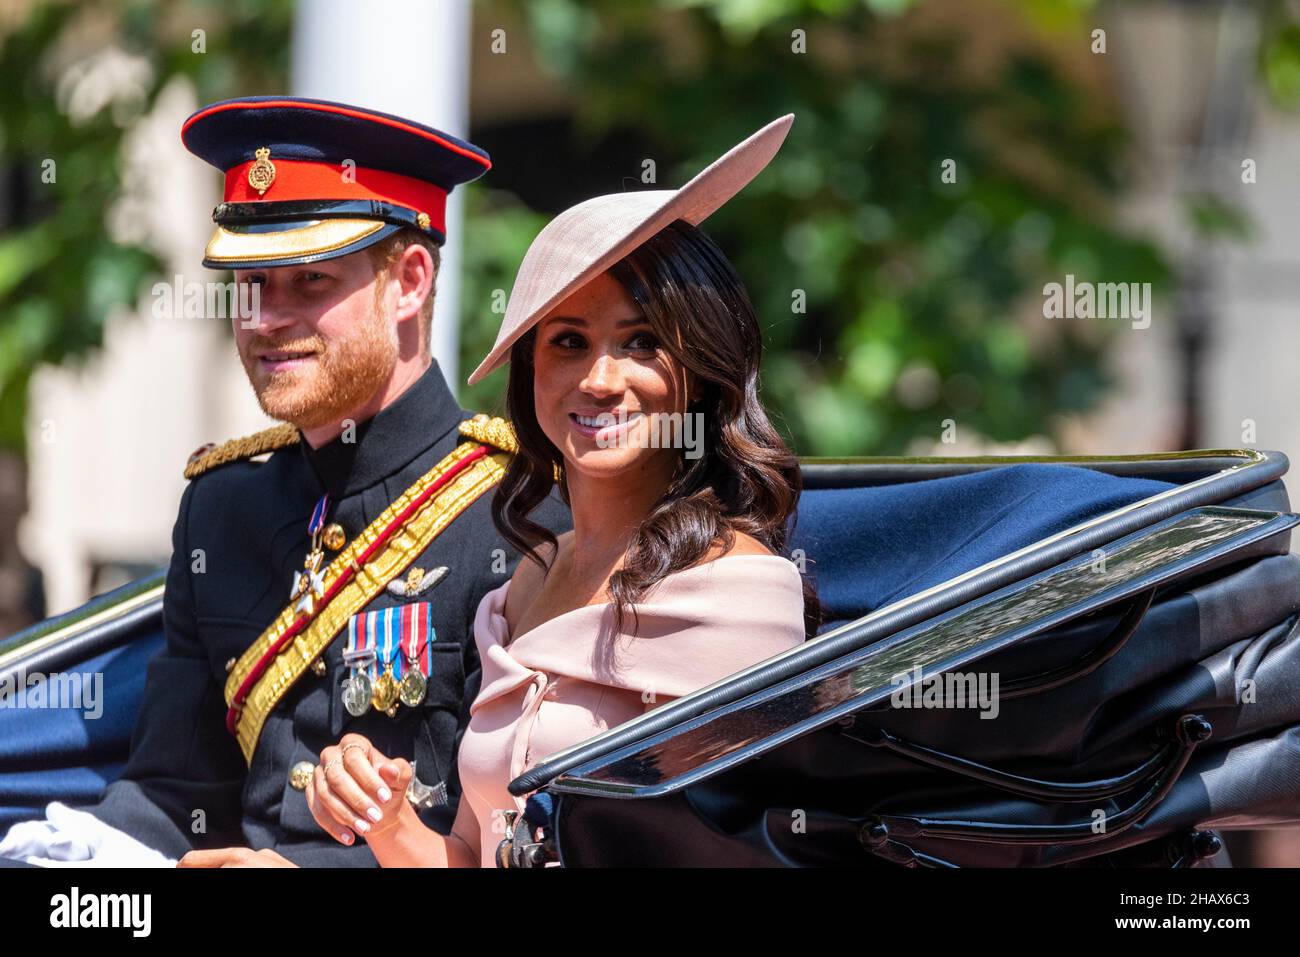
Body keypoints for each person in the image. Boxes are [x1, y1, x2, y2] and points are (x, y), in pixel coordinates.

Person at [0, 96, 569, 868]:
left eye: (308, 281)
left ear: (408, 280)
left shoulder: (519, 508)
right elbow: (175, 794)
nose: (265, 318)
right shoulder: (222, 505)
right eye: (250, 283)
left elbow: (515, 840)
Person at [304, 115, 820, 867]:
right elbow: (482, 852)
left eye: (641, 342)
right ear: (532, 374)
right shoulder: (527, 582)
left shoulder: (738, 592)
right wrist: (386, 821)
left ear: (701, 369)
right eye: (568, 342)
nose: (600, 380)